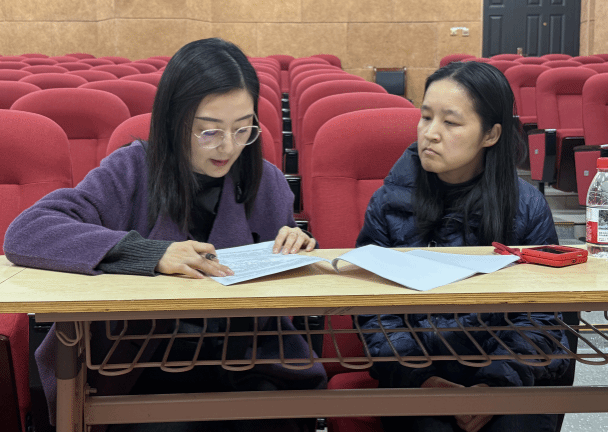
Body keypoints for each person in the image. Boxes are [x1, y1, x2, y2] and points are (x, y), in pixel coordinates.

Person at [4, 38, 326, 432]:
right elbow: (28, 231)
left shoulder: (268, 182)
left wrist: (297, 246)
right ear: (175, 121)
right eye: (209, 132)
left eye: (243, 129)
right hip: (144, 364)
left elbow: (275, 289)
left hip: (246, 359)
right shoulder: (132, 169)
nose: (228, 147)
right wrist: (150, 253)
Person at [356, 61, 570, 432]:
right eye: (425, 117)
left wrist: (497, 384)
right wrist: (420, 378)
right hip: (419, 374)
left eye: (451, 122)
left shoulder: (526, 207)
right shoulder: (388, 202)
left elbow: (541, 313)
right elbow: (373, 308)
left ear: (491, 134)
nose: (430, 133)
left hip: (509, 373)